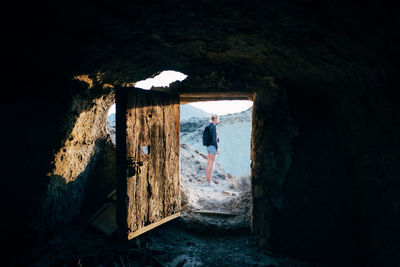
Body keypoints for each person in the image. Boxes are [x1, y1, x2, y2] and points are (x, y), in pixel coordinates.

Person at [205, 114, 220, 186]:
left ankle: (207, 180)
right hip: (213, 146)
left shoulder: (208, 126)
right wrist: (217, 147)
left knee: (208, 163)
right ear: (215, 119)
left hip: (208, 146)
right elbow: (214, 138)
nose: (218, 120)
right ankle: (209, 181)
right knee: (212, 164)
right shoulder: (213, 126)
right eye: (218, 119)